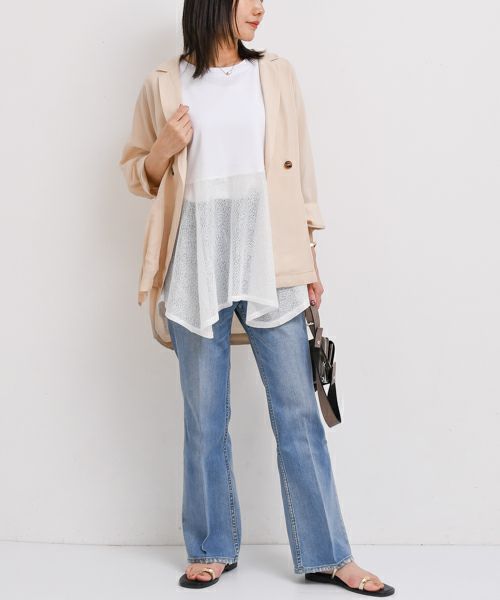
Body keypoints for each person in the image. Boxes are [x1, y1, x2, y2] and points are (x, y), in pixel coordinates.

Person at [120, 0, 395, 595]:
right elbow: (137, 173)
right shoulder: (164, 82)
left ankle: (329, 554)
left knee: (298, 412)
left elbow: (302, 172)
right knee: (204, 416)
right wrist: (165, 146)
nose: (259, 8)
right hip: (195, 259)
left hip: (271, 256)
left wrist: (310, 256)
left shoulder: (274, 73)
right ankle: (210, 547)